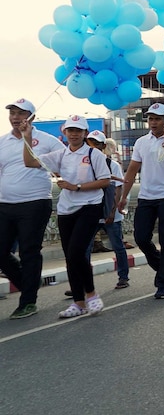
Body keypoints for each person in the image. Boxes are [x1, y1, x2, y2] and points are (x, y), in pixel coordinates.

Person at [22, 115, 111, 318]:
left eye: (78, 131)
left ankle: (92, 294)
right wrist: (26, 136)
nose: (74, 134)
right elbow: (29, 162)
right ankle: (78, 303)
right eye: (70, 130)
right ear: (65, 132)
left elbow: (105, 181)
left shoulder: (93, 154)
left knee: (76, 253)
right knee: (70, 258)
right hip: (66, 209)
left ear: (85, 133)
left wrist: (76, 187)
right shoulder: (60, 155)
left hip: (89, 206)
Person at [0, 98, 67, 319]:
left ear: (32, 117)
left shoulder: (47, 140)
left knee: (29, 251)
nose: (15, 117)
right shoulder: (3, 142)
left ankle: (28, 301)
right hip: (5, 204)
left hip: (35, 203)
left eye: (21, 113)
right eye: (12, 113)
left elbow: (66, 162)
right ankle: (27, 282)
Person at [118, 103, 164, 299]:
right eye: (150, 119)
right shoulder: (141, 142)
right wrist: (124, 196)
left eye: (157, 119)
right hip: (146, 197)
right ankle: (161, 266)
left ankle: (163, 282)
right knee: (141, 238)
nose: (153, 122)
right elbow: (132, 170)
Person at [84, 131, 130, 289]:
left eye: (96, 144)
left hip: (111, 214)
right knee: (85, 248)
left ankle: (123, 277)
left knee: (117, 245)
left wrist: (111, 212)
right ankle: (83, 282)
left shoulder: (112, 165)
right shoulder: (85, 165)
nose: (93, 148)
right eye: (90, 144)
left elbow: (118, 190)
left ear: (103, 146)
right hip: (91, 213)